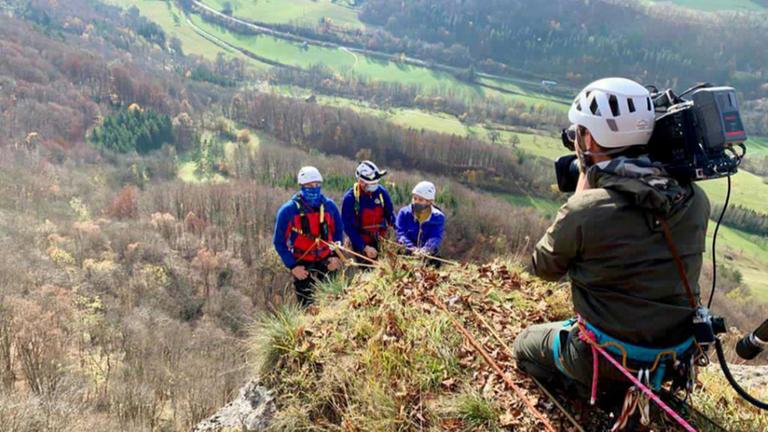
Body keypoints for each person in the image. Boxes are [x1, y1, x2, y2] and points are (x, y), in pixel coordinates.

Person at [513, 78, 710, 409]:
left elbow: (543, 267)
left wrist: (579, 198)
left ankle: (597, 392)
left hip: (604, 357)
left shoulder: (587, 210)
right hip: (672, 356)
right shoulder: (694, 199)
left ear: (589, 138)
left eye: (579, 132)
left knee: (524, 345)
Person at [273, 166, 344, 307]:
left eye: (317, 185)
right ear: (301, 186)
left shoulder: (329, 207)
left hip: (327, 259)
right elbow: (279, 242)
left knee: (333, 303)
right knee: (307, 306)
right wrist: (293, 266)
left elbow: (338, 232)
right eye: (309, 186)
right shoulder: (288, 211)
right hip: (302, 263)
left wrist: (336, 256)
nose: (314, 189)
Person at [341, 161, 395, 260]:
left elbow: (390, 215)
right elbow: (348, 228)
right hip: (359, 243)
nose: (374, 186)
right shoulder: (350, 199)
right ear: (361, 182)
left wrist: (393, 236)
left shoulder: (381, 193)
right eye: (371, 184)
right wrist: (364, 247)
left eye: (376, 183)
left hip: (381, 240)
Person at [395, 181, 445, 264]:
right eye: (415, 198)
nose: (416, 202)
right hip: (406, 250)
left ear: (429, 201)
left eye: (420, 200)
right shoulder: (404, 213)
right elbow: (400, 233)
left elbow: (435, 236)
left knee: (435, 263)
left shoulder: (437, 217)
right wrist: (411, 248)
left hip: (427, 253)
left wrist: (426, 249)